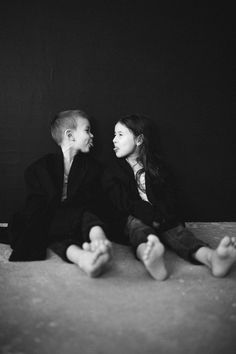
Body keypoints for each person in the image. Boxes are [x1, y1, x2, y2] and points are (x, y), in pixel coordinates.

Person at [103, 114, 236, 280]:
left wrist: (164, 216)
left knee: (178, 232)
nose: (114, 140)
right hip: (132, 217)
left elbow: (170, 196)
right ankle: (150, 255)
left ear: (139, 140)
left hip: (160, 217)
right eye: (114, 135)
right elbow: (122, 202)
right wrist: (151, 217)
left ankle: (211, 257)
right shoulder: (112, 170)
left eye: (120, 135)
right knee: (138, 229)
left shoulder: (157, 166)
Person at [8, 109, 112, 277]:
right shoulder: (41, 168)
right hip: (53, 220)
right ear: (70, 135)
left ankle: (98, 239)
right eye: (87, 130)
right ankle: (82, 257)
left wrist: (93, 226)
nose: (92, 136)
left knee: (85, 213)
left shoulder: (92, 168)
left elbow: (93, 200)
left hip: (80, 219)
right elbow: (37, 203)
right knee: (45, 226)